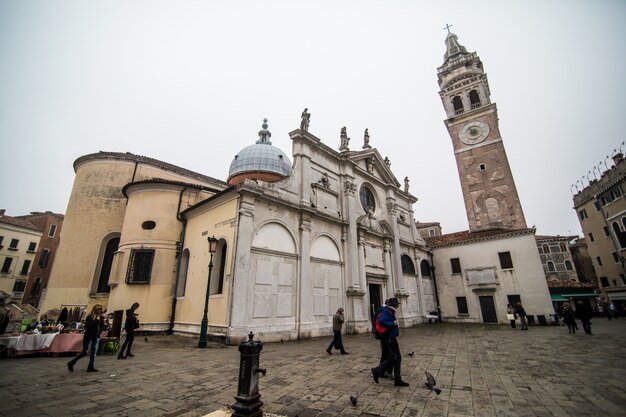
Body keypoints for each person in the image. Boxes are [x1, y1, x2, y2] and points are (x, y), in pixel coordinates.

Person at [371, 298, 409, 387]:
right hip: (389, 338)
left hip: (392, 337)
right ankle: (377, 371)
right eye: (397, 304)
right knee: (394, 358)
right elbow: (382, 321)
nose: (398, 306)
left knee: (397, 358)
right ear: (393, 305)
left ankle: (397, 380)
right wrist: (393, 323)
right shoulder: (387, 311)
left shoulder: (390, 311)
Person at [67, 304, 105, 372]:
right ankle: (72, 362)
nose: (100, 311)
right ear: (96, 310)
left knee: (93, 352)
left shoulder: (100, 317)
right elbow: (88, 326)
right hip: (88, 336)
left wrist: (100, 331)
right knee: (84, 352)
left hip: (96, 336)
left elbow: (102, 325)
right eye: (99, 309)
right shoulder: (90, 316)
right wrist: (96, 320)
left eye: (101, 310)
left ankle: (90, 366)